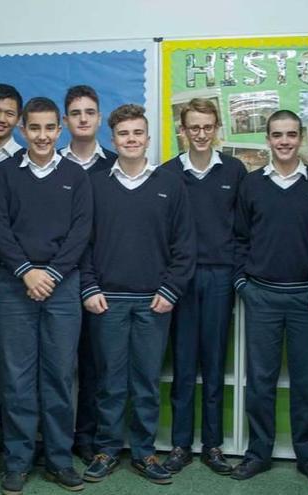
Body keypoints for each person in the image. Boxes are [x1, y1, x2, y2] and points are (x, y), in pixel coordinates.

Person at [80, 103, 195, 486]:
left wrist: (170, 289)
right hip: (106, 301)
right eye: (124, 134)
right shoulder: (96, 184)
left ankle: (144, 452)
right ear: (113, 140)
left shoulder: (169, 184)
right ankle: (107, 449)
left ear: (148, 138)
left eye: (137, 133)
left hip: (154, 301)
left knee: (146, 382)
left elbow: (185, 246)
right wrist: (90, 286)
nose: (131, 139)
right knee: (109, 381)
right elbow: (82, 243)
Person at [0, 96, 92, 495]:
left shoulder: (75, 176)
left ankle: (60, 460)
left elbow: (81, 231)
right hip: (14, 288)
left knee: (61, 376)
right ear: (22, 129)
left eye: (50, 128)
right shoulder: (4, 174)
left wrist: (49, 273)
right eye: (35, 128)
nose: (43, 135)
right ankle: (17, 460)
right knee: (15, 379)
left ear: (60, 128)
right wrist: (27, 272)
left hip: (62, 288)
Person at [233, 110, 308, 486]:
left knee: (306, 382)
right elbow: (239, 237)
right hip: (262, 297)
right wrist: (244, 285)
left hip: (307, 299)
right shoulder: (252, 184)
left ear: (301, 137)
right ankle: (259, 452)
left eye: (291, 134)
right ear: (267, 139)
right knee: (260, 380)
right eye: (277, 135)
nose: (285, 141)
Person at [162, 98, 245, 476]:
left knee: (213, 365)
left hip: (219, 277)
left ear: (217, 129)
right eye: (193, 127)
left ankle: (212, 445)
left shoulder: (234, 170)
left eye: (207, 126)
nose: (200, 133)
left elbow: (244, 228)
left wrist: (237, 272)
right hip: (180, 279)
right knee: (182, 365)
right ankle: (181, 445)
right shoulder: (166, 173)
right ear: (183, 130)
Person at [59, 84, 118, 465]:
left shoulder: (114, 163)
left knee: (96, 365)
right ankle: (57, 439)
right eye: (76, 113)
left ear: (99, 118)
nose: (83, 119)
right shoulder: (51, 162)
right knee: (61, 366)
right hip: (60, 278)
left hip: (100, 282)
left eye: (89, 112)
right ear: (65, 121)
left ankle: (89, 438)